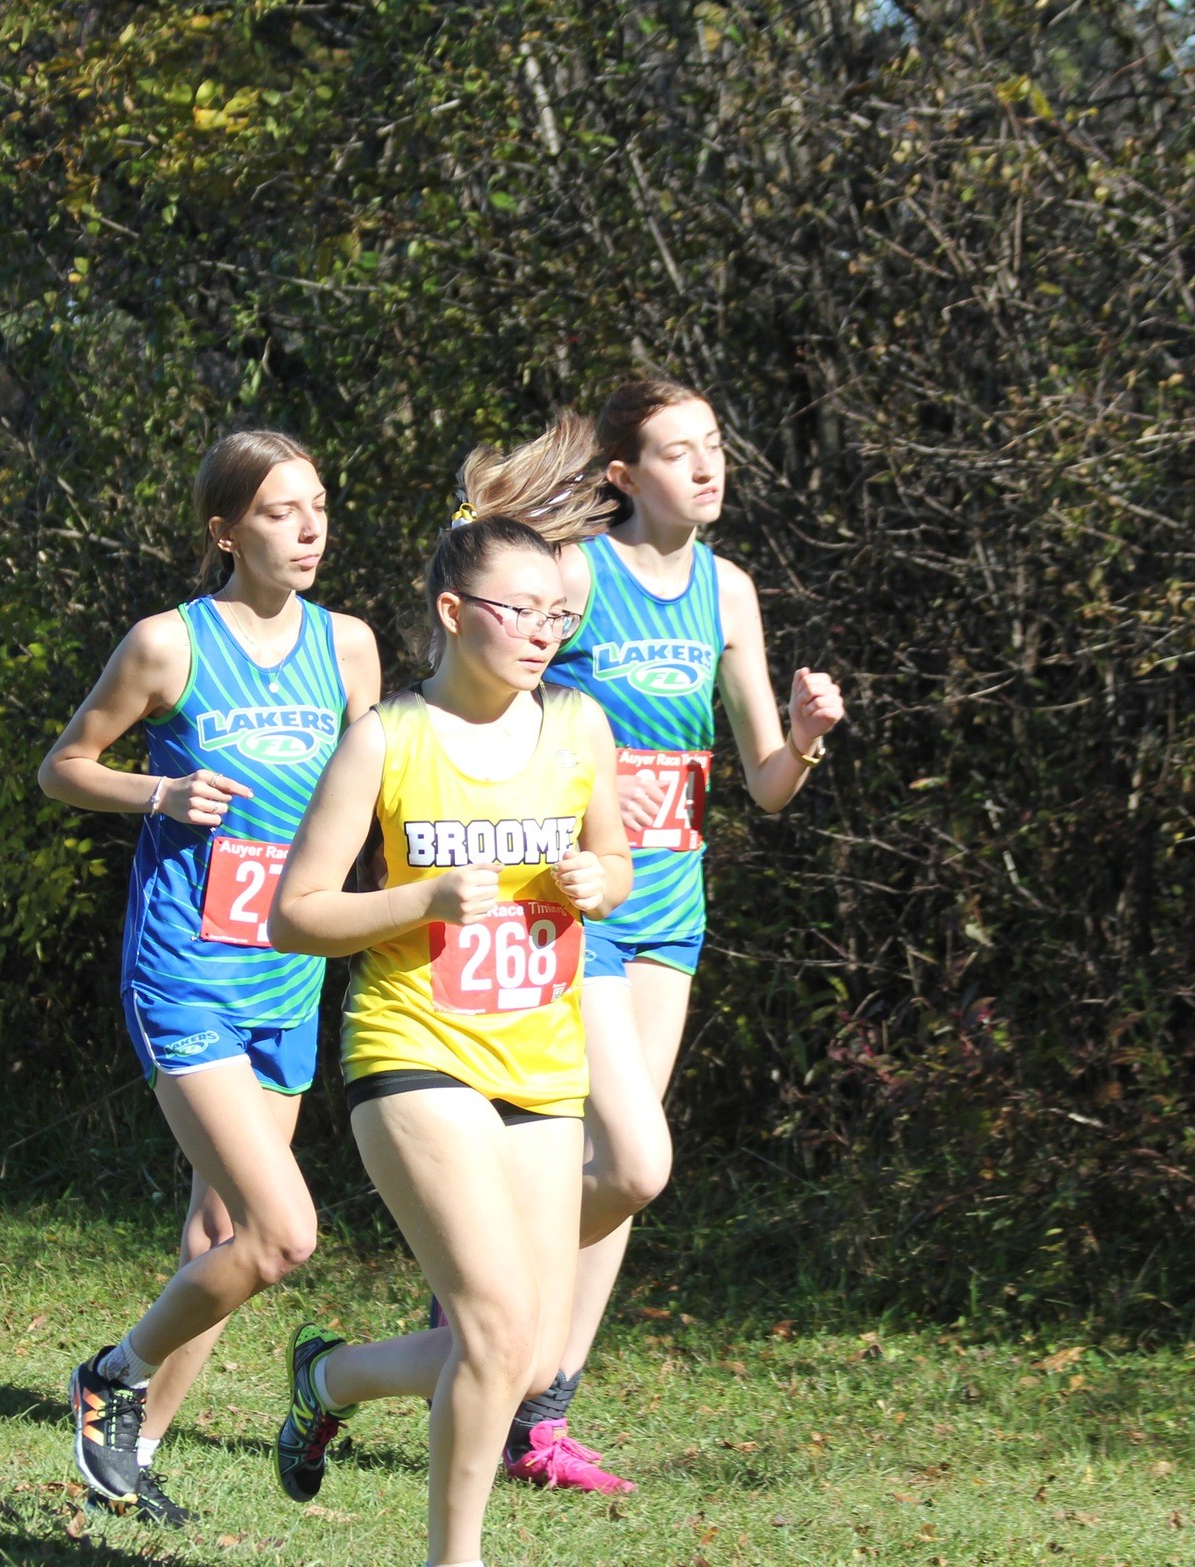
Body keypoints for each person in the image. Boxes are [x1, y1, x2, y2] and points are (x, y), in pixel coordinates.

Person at [266, 448, 633, 1567]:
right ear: (448, 610)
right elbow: (295, 914)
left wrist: (597, 882)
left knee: (517, 1355)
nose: (540, 632)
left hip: (539, 1059)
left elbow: (616, 859)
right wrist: (416, 898)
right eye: (516, 611)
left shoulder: (577, 728)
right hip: (412, 1047)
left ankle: (324, 1375)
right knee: (489, 1320)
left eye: (553, 616)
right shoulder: (388, 737)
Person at [495, 381, 847, 1492]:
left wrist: (803, 738)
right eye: (677, 451)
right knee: (640, 1163)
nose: (706, 467)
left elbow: (763, 783)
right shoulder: (580, 576)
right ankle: (489, 1306)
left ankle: (539, 1415)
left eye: (713, 447)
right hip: (584, 906)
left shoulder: (728, 590)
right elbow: (503, 707)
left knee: (618, 1173)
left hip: (673, 914)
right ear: (620, 476)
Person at [37, 432, 381, 1525]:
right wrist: (156, 796)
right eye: (282, 512)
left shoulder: (350, 649)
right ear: (225, 531)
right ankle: (113, 1376)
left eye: (318, 506)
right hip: (184, 968)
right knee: (281, 1234)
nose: (310, 528)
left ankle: (129, 1463)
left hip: (290, 972)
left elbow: (374, 795)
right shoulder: (166, 645)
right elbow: (62, 767)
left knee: (219, 1231)